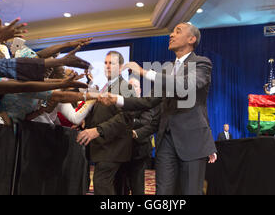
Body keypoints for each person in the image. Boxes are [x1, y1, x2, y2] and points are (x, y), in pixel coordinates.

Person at [98, 22, 217, 195]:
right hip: (165, 141)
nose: (171, 35)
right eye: (172, 31)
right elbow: (148, 101)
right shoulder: (166, 71)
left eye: (178, 31)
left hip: (193, 141)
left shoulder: (202, 64)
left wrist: (146, 73)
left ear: (191, 39)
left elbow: (185, 86)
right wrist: (118, 99)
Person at [76, 51, 135, 195]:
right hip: (103, 147)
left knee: (101, 183)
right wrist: (84, 122)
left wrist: (98, 130)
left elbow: (125, 117)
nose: (107, 66)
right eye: (106, 63)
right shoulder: (106, 86)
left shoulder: (125, 87)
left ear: (120, 67)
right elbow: (101, 114)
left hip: (113, 147)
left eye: (112, 63)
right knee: (109, 185)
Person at [115, 75, 160, 195]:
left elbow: (145, 122)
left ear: (139, 90)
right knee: (120, 185)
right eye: (129, 87)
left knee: (137, 185)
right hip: (120, 150)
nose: (132, 89)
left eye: (135, 86)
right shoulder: (121, 104)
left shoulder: (146, 103)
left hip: (139, 151)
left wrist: (127, 121)